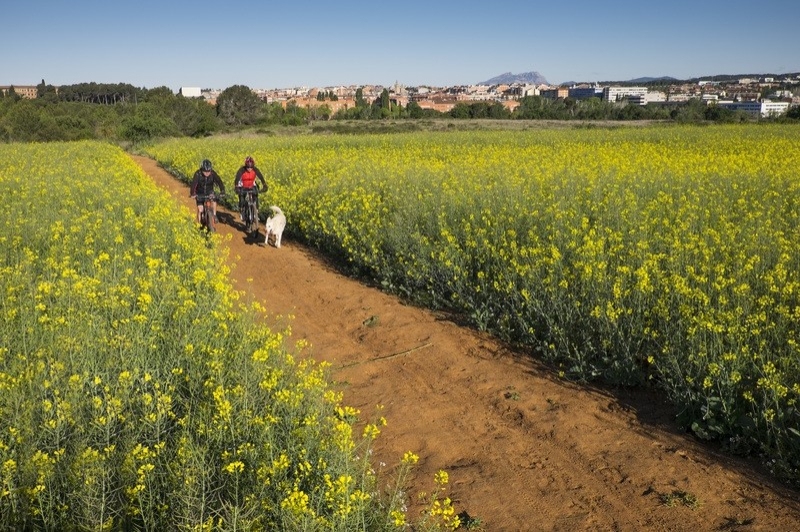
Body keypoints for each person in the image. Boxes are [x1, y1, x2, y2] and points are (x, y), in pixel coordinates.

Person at [189, 159, 226, 225]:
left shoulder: (213, 173)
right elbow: (193, 184)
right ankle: (199, 225)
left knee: (214, 200)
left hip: (209, 191)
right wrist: (192, 193)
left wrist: (222, 191)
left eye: (208, 171)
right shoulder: (198, 174)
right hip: (200, 193)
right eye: (205, 171)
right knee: (200, 210)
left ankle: (214, 215)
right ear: (202, 169)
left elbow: (219, 181)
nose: (207, 173)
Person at [234, 156, 267, 220]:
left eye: (251, 167)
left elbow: (260, 177)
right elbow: (237, 179)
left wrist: (264, 184)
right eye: (248, 167)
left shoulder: (255, 169)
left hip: (252, 185)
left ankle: (256, 212)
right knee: (241, 198)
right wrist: (236, 187)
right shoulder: (241, 170)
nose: (249, 169)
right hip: (242, 185)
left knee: (256, 195)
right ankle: (242, 211)